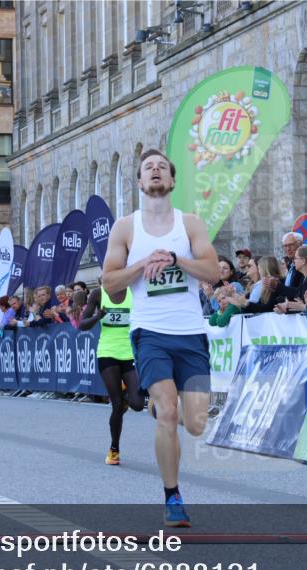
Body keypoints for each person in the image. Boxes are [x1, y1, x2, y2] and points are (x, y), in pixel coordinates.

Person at [101, 147, 219, 527]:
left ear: (172, 180)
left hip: (191, 333)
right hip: (150, 332)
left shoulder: (190, 224)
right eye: (148, 167)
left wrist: (175, 258)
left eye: (161, 167)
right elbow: (110, 283)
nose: (155, 170)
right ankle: (173, 497)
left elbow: (213, 272)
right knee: (169, 412)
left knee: (196, 422)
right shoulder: (126, 228)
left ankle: (155, 406)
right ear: (139, 181)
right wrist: (143, 263)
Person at [78, 284, 145, 465]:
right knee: (117, 405)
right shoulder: (98, 293)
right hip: (107, 352)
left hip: (130, 352)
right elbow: (82, 325)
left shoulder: (134, 291)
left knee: (138, 405)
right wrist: (97, 317)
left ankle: (126, 393)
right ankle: (114, 449)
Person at [275, 244, 307, 310]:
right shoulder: (305, 278)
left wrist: (286, 308)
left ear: (303, 261)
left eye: (295, 258)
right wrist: (285, 307)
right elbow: (298, 298)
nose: (294, 261)